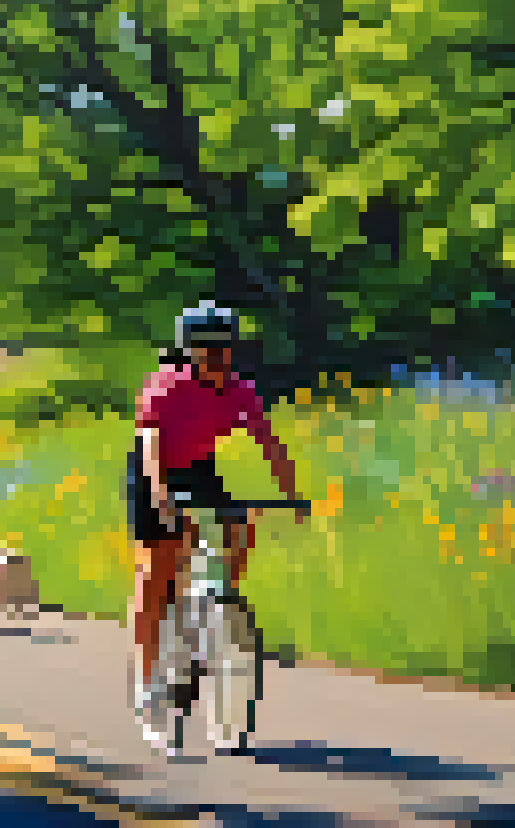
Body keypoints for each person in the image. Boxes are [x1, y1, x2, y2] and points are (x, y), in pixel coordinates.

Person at [127, 302, 304, 751]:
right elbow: (150, 445)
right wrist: (161, 496)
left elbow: (269, 444)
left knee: (240, 524)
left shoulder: (240, 391)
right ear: (189, 352)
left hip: (197, 468)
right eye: (207, 350)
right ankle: (147, 686)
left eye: (224, 349)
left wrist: (292, 494)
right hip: (154, 469)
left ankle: (216, 608)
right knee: (156, 572)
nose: (217, 357)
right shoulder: (166, 386)